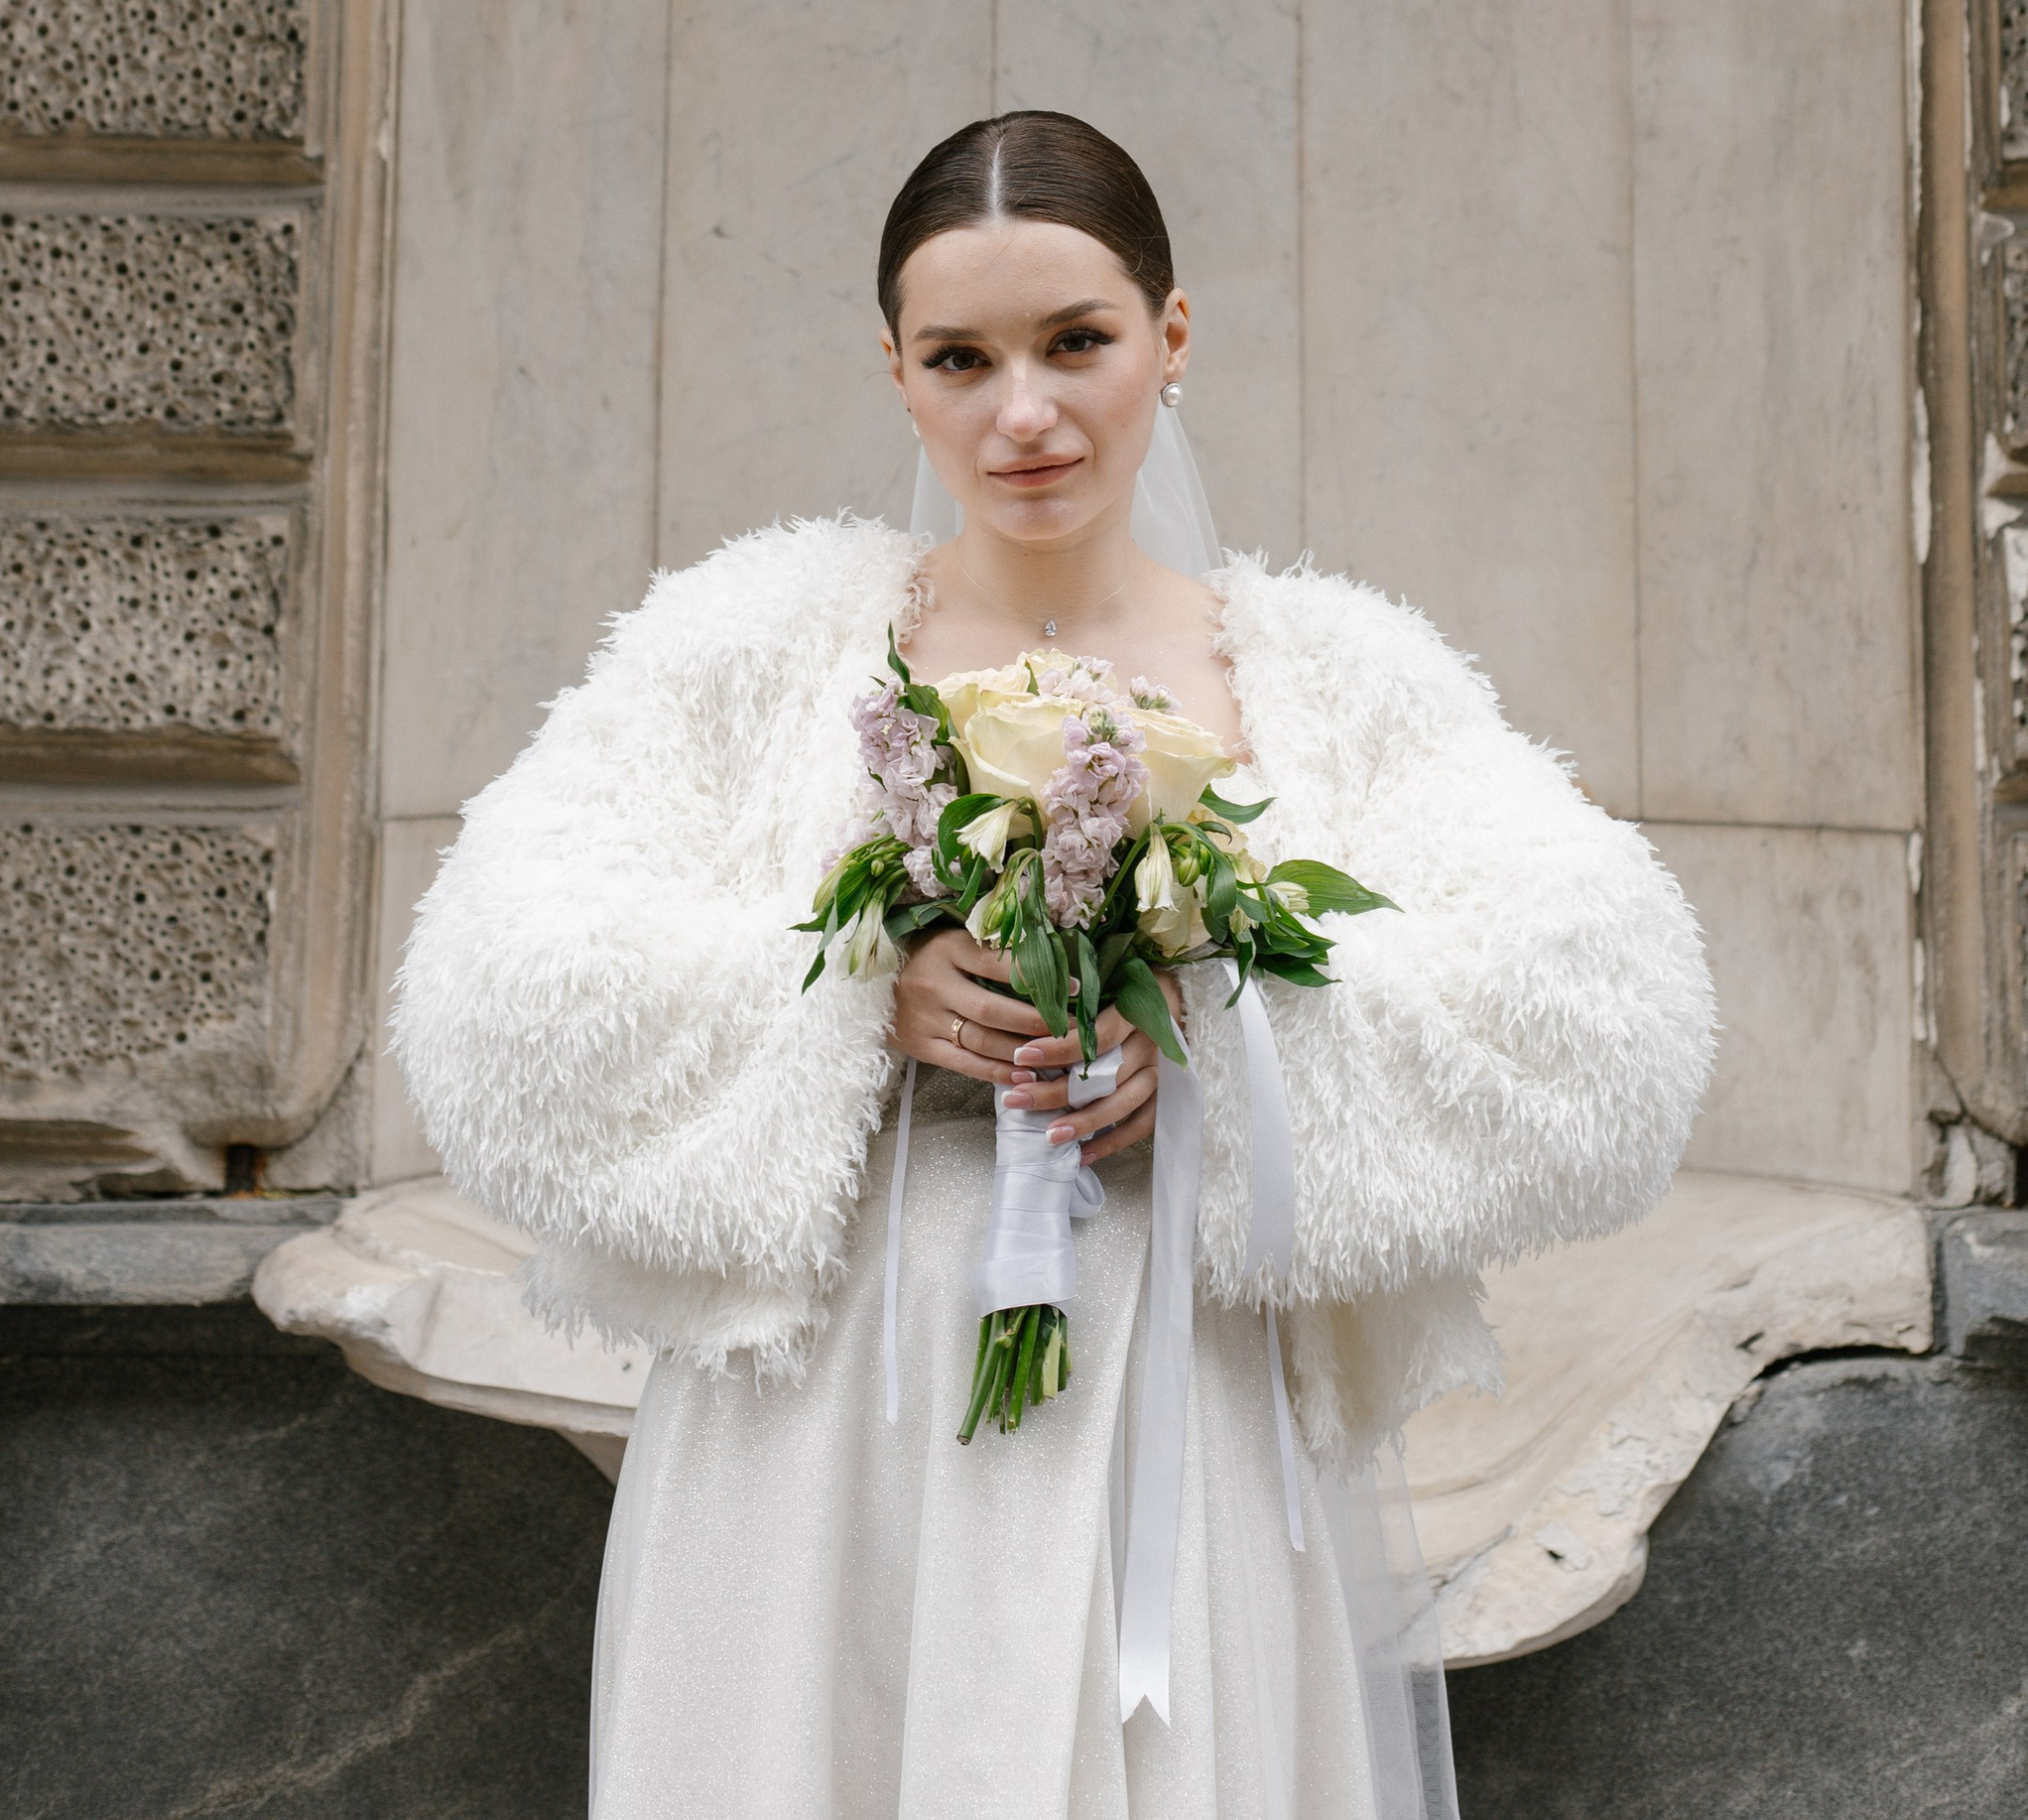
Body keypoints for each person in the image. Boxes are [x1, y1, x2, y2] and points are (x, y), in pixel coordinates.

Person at [397, 110, 1714, 1819]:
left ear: (1171, 338)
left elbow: (1610, 1014)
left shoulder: (1330, 671)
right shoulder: (752, 643)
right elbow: (499, 982)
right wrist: (851, 1000)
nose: (1022, 411)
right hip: (823, 1431)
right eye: (962, 357)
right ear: (897, 374)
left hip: (1171, 1406)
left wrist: (1231, 1055)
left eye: (1075, 343)